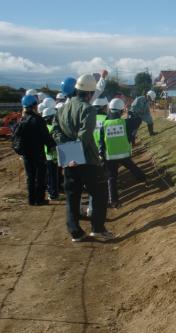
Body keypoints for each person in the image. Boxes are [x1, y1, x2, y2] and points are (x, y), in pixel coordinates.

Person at [52, 73, 113, 242]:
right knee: (99, 193)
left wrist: (67, 147)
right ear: (88, 93)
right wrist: (75, 151)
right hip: (88, 161)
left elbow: (55, 131)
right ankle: (97, 229)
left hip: (67, 160)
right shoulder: (88, 109)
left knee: (72, 196)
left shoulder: (62, 108)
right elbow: (85, 136)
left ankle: (75, 231)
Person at [100, 98, 148, 208]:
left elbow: (101, 141)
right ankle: (144, 179)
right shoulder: (125, 122)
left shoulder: (104, 124)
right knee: (132, 167)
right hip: (123, 154)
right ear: (121, 111)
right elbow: (138, 120)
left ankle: (114, 201)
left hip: (110, 156)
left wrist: (101, 153)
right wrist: (130, 113)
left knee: (111, 178)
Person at [14, 95, 56, 205]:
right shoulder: (38, 120)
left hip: (26, 154)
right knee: (40, 176)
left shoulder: (21, 120)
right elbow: (45, 136)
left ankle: (31, 199)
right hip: (38, 152)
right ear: (34, 106)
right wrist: (52, 145)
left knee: (30, 176)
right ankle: (39, 199)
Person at [42, 107, 60, 200]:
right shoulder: (52, 128)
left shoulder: (44, 128)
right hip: (52, 156)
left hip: (46, 156)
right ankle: (53, 194)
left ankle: (51, 192)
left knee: (49, 175)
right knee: (53, 176)